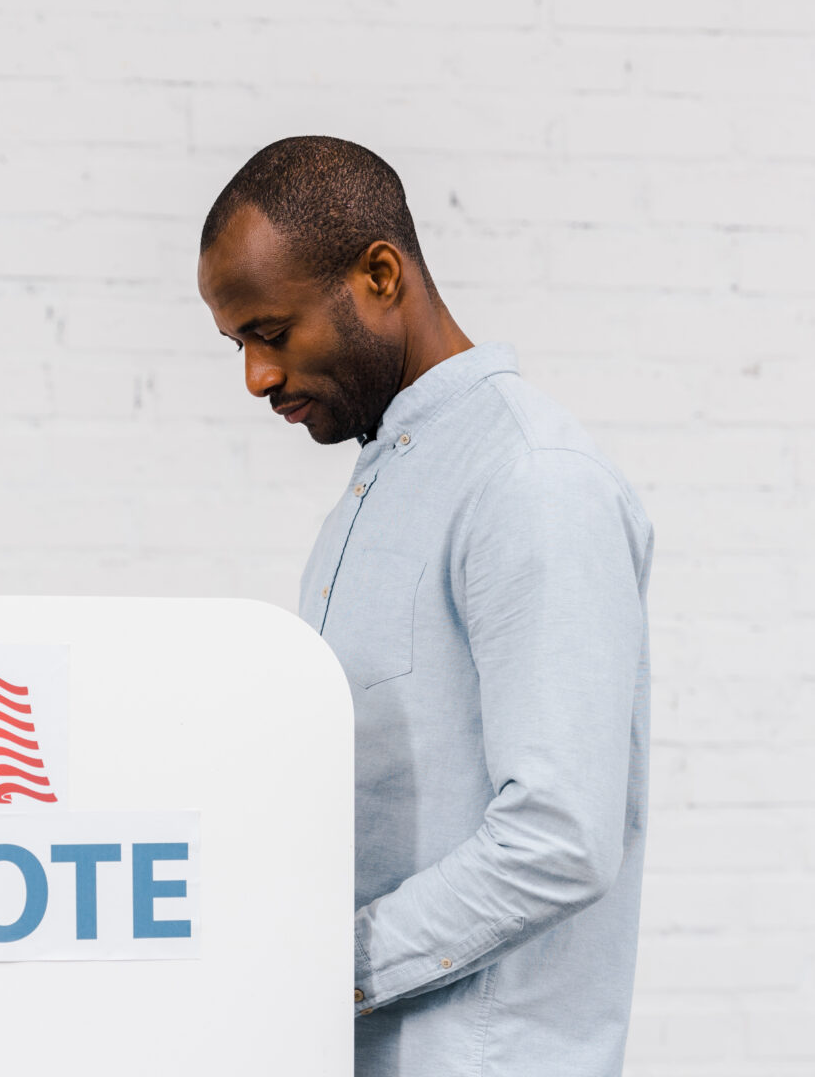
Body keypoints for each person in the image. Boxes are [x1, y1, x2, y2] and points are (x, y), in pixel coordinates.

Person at [196, 136, 655, 1076]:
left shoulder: (530, 481)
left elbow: (561, 838)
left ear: (379, 274)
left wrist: (316, 970)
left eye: (271, 333)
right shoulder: (376, 495)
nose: (256, 376)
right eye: (238, 344)